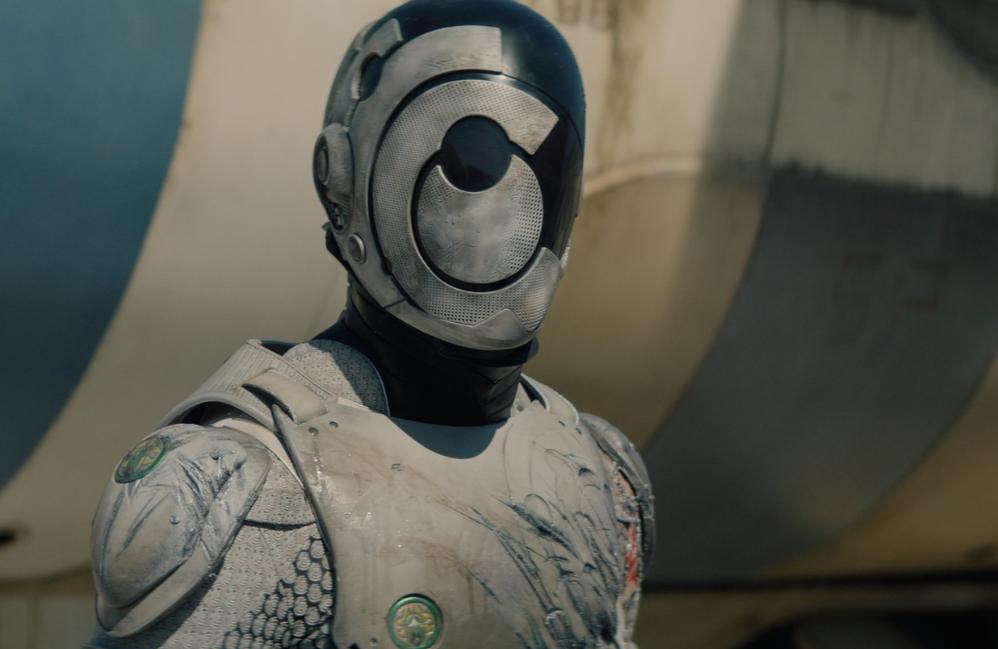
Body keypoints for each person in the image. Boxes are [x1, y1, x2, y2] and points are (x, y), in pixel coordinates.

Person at [83, 1, 653, 647]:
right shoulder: (244, 488)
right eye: (473, 163)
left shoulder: (598, 474)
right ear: (343, 178)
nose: (502, 212)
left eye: (543, 168)